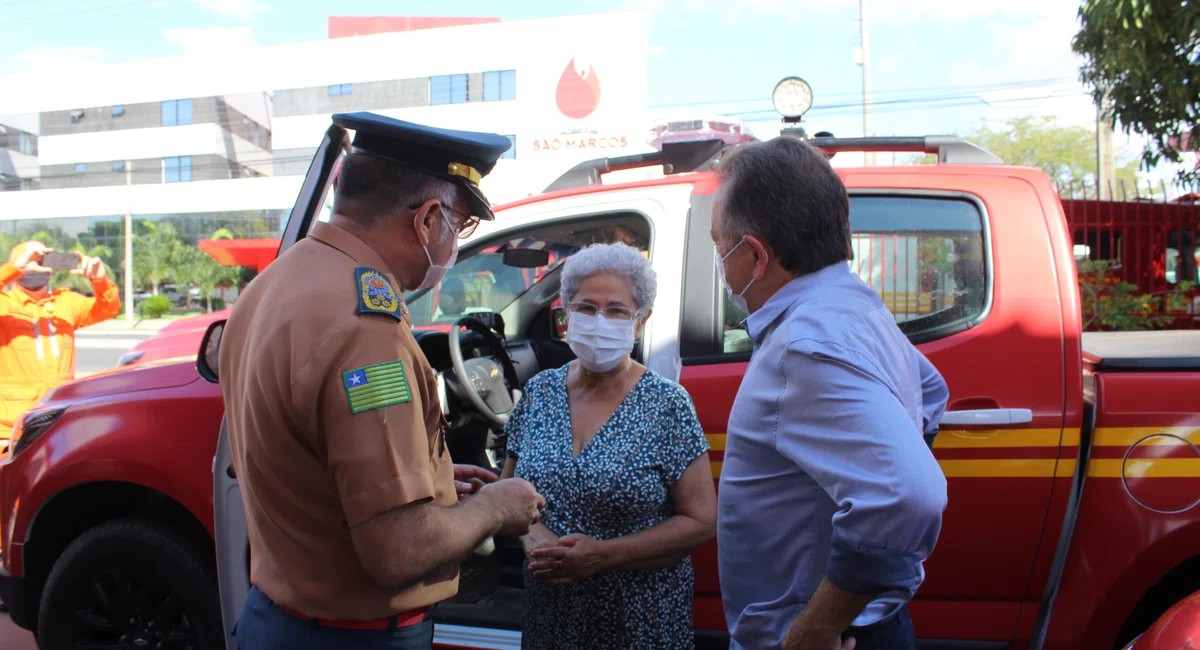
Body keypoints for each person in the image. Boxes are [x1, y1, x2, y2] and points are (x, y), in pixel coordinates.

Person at [219, 113, 545, 650]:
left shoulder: (277, 282)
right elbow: (398, 550)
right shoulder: (366, 331)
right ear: (428, 220)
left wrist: (435, 484)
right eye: (460, 226)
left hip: (278, 616)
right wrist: (494, 508)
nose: (454, 244)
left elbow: (317, 466)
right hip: (351, 638)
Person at [712, 137, 950, 650]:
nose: (720, 263)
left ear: (754, 255)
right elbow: (930, 392)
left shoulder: (807, 343)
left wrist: (818, 624)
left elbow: (910, 496)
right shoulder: (849, 305)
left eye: (718, 247)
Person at [500, 242, 717, 650]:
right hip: (552, 621)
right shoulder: (539, 392)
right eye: (586, 308)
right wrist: (533, 537)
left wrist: (602, 555)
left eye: (616, 310)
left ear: (640, 322)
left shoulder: (666, 405)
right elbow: (506, 490)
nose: (599, 321)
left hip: (640, 622)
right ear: (565, 316)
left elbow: (701, 520)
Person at [0, 241, 120, 441]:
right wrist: (13, 269)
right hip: (11, 427)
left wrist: (100, 281)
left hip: (59, 419)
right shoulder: (5, 303)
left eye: (43, 260)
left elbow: (108, 308)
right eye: (33, 260)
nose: (39, 267)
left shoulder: (65, 302)